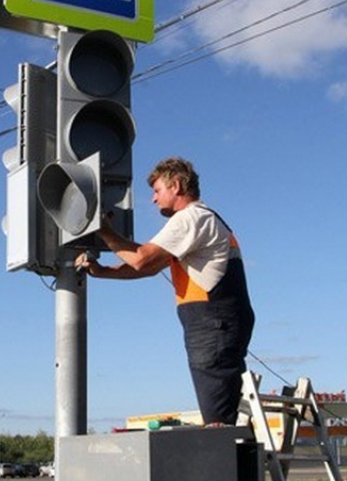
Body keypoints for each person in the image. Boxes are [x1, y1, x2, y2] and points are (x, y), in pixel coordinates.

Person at [76, 157, 255, 426]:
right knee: (226, 413)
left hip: (212, 324)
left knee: (218, 424)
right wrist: (104, 271)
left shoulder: (190, 218)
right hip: (219, 321)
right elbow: (147, 267)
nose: (153, 199)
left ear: (178, 186)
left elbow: (142, 259)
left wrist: (102, 229)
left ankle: (228, 466)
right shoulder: (204, 219)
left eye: (158, 191)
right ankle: (239, 462)